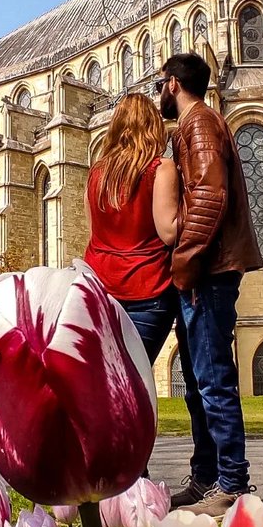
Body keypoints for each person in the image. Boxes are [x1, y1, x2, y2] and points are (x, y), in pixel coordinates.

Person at [158, 52, 262, 516]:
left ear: (175, 84)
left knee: (214, 378)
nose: (160, 91)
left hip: (210, 271)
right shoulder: (195, 126)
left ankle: (232, 483)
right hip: (209, 269)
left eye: (162, 82)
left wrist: (185, 262)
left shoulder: (199, 125)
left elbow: (208, 199)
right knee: (200, 380)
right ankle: (205, 477)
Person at [84, 93, 180, 363]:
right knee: (133, 381)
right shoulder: (160, 168)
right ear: (154, 126)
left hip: (99, 288)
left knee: (104, 381)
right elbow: (168, 231)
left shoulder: (96, 174)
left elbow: (94, 231)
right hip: (147, 288)